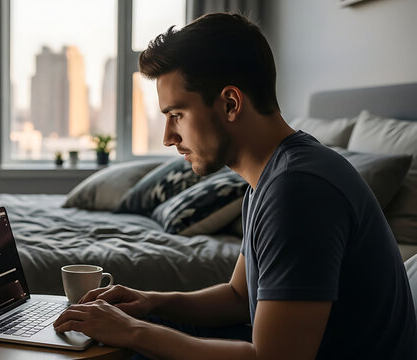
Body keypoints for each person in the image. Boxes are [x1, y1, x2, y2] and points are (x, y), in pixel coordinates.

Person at [53, 12, 417, 359]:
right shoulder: (273, 178)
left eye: (176, 115)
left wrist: (134, 331)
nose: (167, 137)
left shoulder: (299, 189)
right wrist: (152, 302)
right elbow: (238, 295)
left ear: (230, 103)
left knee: (130, 346)